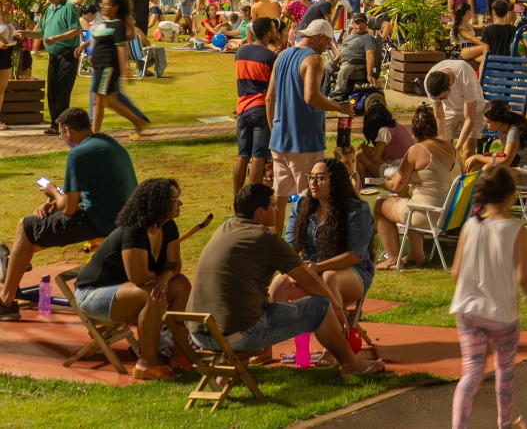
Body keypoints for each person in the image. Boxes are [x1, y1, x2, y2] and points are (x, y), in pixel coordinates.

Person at [187, 183, 382, 375]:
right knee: (321, 306)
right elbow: (308, 280)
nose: (277, 208)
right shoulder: (264, 237)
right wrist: (337, 308)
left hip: (200, 335)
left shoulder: (222, 230)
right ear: (259, 212)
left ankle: (249, 361)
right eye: (272, 205)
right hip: (238, 336)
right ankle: (351, 364)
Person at [0, 106, 138, 318]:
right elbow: (87, 192)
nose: (62, 139)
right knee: (36, 227)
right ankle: (13, 263)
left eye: (60, 135)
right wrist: (54, 202)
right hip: (120, 216)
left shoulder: (78, 154)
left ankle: (6, 300)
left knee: (25, 226)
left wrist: (52, 191)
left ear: (66, 131)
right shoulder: (108, 143)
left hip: (102, 221)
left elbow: (70, 208)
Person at [69, 176, 190, 380]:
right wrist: (162, 279)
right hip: (93, 294)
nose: (180, 204)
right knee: (152, 294)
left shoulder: (168, 227)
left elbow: (175, 264)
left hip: (133, 289)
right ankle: (146, 363)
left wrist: (166, 277)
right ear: (157, 204)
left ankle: (179, 354)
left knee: (181, 285)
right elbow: (139, 276)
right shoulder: (134, 231)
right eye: (174, 199)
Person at [450, 166, 527, 429]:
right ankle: (505, 424)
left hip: (468, 312)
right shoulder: (516, 230)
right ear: (510, 196)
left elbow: (455, 272)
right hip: (502, 315)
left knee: (471, 373)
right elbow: (522, 276)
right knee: (505, 370)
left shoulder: (470, 226)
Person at [266, 19, 353, 231]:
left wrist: (274, 130)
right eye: (328, 42)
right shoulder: (314, 60)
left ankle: (278, 241)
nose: (328, 48)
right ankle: (304, 241)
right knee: (311, 194)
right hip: (305, 139)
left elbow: (269, 99)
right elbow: (311, 96)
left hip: (279, 139)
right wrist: (339, 107)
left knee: (280, 192)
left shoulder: (282, 56)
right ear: (321, 37)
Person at [273, 157, 375, 311]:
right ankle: (282, 333)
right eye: (311, 177)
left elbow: (355, 255)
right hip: (311, 269)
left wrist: (318, 268)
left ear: (335, 181)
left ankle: (336, 332)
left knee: (329, 277)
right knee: (279, 283)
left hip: (352, 272)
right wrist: (296, 269)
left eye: (320, 178)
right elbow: (291, 244)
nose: (313, 182)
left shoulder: (356, 210)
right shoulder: (301, 206)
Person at [374, 106, 464, 269]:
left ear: (414, 133)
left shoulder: (416, 151)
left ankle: (393, 259)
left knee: (380, 205)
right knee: (415, 199)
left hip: (429, 214)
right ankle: (417, 254)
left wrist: (382, 182)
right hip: (451, 214)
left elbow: (395, 185)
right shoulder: (453, 149)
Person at [85, 0, 151, 133]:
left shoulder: (117, 25)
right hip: (97, 66)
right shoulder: (103, 23)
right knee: (100, 100)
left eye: (107, 4)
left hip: (107, 67)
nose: (103, 6)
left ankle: (95, 133)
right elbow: (97, 42)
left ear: (115, 7)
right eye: (102, 3)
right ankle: (135, 122)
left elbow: (121, 48)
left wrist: (125, 70)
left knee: (103, 100)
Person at [234, 17, 279, 196]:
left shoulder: (241, 52)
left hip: (242, 108)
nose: (276, 32)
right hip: (260, 109)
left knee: (242, 155)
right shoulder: (271, 57)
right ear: (268, 33)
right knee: (259, 156)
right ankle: (251, 200)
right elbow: (273, 90)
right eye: (274, 29)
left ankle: (236, 199)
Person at [36, 0, 82, 133]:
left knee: (62, 89)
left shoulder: (69, 7)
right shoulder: (49, 10)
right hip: (53, 55)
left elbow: (76, 30)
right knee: (53, 90)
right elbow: (41, 32)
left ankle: (61, 125)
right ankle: (55, 124)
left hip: (67, 53)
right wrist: (24, 34)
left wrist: (56, 38)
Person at [350, 95, 413, 185]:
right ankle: (365, 184)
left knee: (360, 156)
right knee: (366, 152)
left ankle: (362, 187)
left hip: (395, 170)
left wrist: (364, 147)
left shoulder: (384, 131)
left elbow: (375, 158)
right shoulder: (397, 126)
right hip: (405, 167)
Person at [464, 99, 527, 173]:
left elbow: (505, 161)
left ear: (499, 121)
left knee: (489, 169)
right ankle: (471, 185)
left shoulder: (514, 130)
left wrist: (476, 157)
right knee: (474, 166)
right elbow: (505, 155)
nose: (485, 124)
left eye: (488, 122)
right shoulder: (501, 130)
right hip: (515, 165)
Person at [333, 13, 380, 95]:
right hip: (343, 61)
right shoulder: (349, 36)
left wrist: (369, 75)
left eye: (362, 22)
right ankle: (324, 93)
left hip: (355, 62)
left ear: (366, 24)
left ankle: (338, 95)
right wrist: (337, 58)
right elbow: (345, 49)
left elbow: (370, 56)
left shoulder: (367, 38)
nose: (360, 25)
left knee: (344, 70)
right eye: (357, 22)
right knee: (326, 68)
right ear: (353, 24)